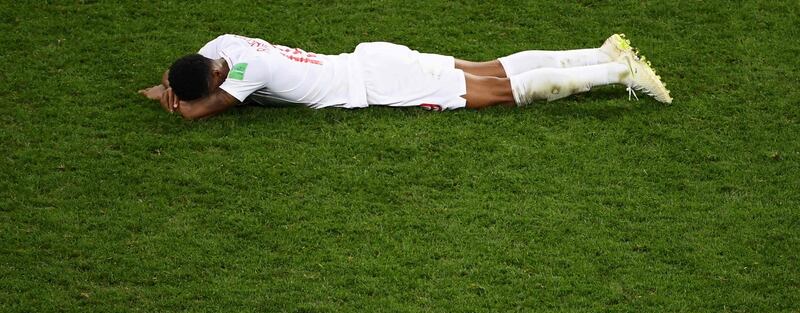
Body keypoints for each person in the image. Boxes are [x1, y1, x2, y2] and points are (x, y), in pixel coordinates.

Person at [139, 33, 671, 120]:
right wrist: (168, 83)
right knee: (494, 67)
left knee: (500, 92)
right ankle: (600, 52)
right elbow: (176, 73)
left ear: (216, 78)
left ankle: (618, 70)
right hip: (371, 59)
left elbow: (198, 110)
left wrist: (172, 100)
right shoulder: (224, 47)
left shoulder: (243, 79)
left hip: (377, 84)